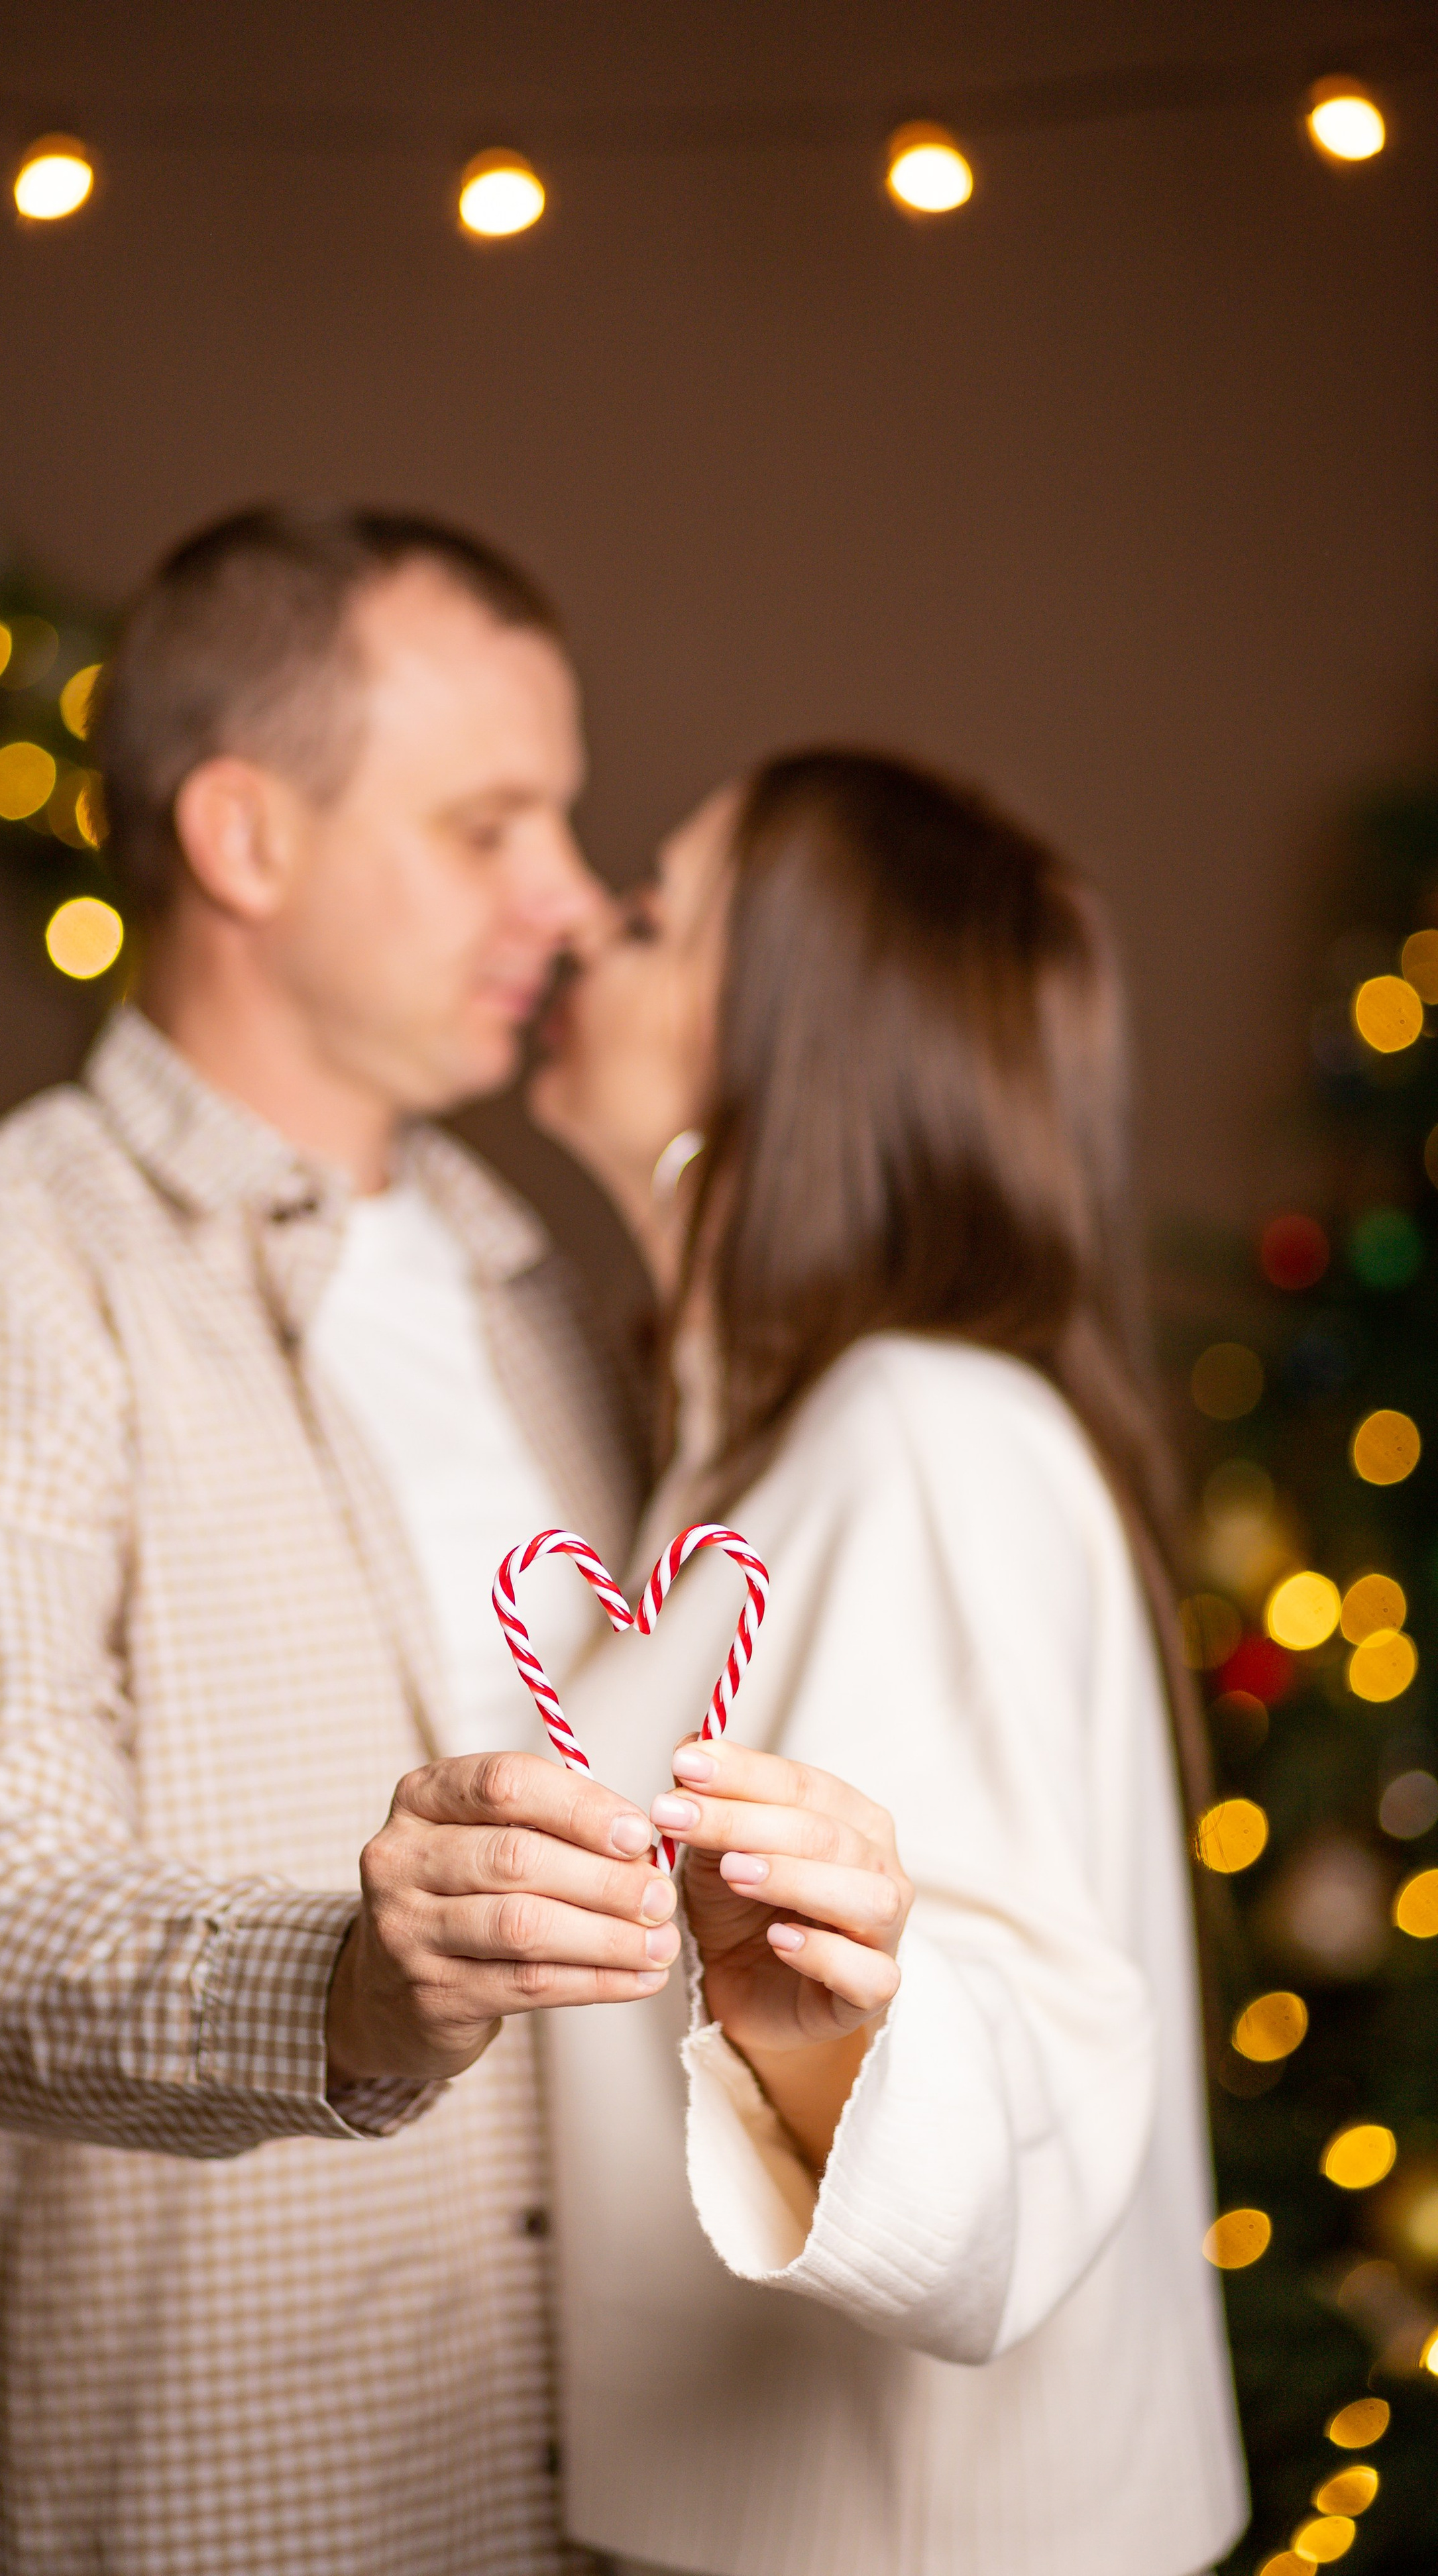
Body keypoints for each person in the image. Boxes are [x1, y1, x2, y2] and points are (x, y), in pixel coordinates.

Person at [0, 506, 686, 2576]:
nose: (572, 894)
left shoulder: (532, 1284)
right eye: (487, 827)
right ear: (247, 840)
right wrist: (353, 1984)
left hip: (558, 2491)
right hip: (159, 2509)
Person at [529, 751, 1250, 2576]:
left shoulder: (924, 1432)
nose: (572, 933)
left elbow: (1020, 2048)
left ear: (789, 1036)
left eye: (650, 916)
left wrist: (843, 2046)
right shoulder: (750, 1460)